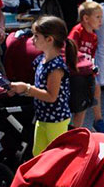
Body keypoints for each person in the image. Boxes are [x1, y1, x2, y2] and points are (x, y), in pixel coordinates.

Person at [8, 15, 76, 156]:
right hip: (43, 117)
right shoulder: (41, 60)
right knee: (38, 153)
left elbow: (51, 96)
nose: (32, 39)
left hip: (56, 120)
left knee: (56, 156)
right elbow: (39, 88)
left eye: (36, 36)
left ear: (49, 39)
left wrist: (27, 89)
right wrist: (19, 90)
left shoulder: (56, 67)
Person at [69, 1, 104, 133]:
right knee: (81, 104)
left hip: (86, 72)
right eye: (97, 17)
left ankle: (98, 120)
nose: (100, 20)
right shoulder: (77, 32)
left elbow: (90, 56)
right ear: (86, 18)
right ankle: (75, 129)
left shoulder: (94, 36)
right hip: (75, 73)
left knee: (96, 89)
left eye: (101, 17)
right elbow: (71, 52)